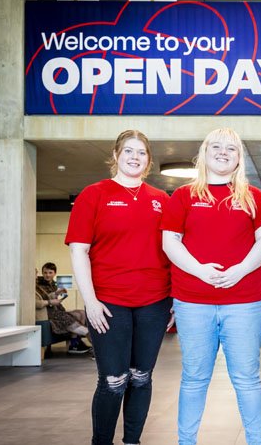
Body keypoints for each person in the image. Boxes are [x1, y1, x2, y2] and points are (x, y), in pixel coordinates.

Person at [160, 128, 261, 445]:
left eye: (231, 149)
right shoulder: (184, 196)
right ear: (204, 153)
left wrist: (239, 271)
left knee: (247, 379)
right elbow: (171, 242)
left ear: (239, 159)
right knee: (194, 378)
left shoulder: (253, 197)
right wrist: (199, 271)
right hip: (193, 302)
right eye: (217, 146)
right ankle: (186, 441)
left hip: (244, 302)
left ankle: (256, 441)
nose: (223, 152)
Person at [66, 129, 173, 445]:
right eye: (128, 151)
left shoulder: (161, 200)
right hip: (109, 302)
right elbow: (78, 250)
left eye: (141, 152)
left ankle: (132, 441)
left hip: (154, 301)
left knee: (141, 378)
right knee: (114, 380)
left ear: (148, 160)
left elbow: (173, 251)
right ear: (115, 155)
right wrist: (90, 301)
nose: (135, 157)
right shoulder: (94, 194)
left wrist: (174, 301)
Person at [34, 262, 91, 354]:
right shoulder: (39, 285)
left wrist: (56, 293)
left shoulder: (52, 284)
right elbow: (44, 299)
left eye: (50, 272)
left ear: (54, 273)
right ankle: (84, 337)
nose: (47, 275)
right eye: (45, 273)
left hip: (57, 308)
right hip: (50, 311)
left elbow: (48, 296)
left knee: (81, 313)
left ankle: (75, 342)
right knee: (68, 318)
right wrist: (53, 299)